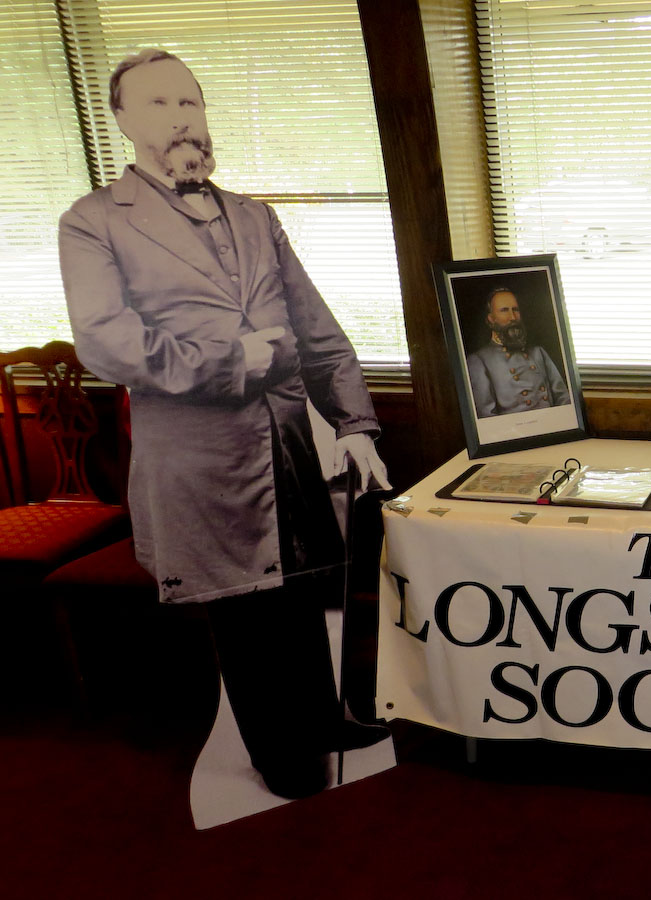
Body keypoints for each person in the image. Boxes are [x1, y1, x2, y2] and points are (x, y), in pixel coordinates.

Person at [58, 49, 391, 799]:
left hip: (286, 442)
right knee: (245, 609)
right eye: (158, 104)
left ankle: (324, 720)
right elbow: (107, 343)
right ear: (122, 121)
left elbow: (316, 329)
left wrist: (355, 423)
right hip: (198, 456)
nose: (181, 119)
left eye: (190, 102)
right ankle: (282, 754)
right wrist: (233, 358)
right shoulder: (93, 222)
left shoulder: (254, 215)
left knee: (301, 591)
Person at [465, 286, 570, 417]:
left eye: (515, 310)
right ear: (491, 318)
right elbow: (487, 417)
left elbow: (564, 399)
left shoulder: (538, 352)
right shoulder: (479, 360)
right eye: (504, 310)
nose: (513, 317)